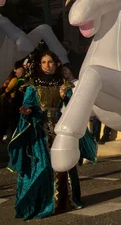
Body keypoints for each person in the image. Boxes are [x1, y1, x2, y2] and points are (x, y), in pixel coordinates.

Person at [8, 51, 96, 219]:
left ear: (56, 64)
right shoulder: (32, 85)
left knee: (65, 165)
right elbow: (28, 105)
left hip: (59, 129)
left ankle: (66, 201)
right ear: (39, 65)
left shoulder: (63, 83)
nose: (47, 65)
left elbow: (73, 106)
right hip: (39, 131)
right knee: (42, 167)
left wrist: (66, 96)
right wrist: (27, 111)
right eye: (44, 62)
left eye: (50, 62)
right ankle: (41, 203)